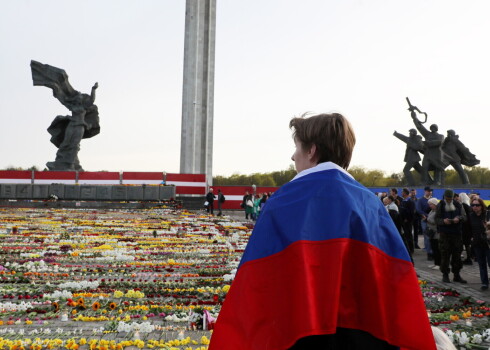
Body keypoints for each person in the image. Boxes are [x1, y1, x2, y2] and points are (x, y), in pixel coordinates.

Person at [210, 113, 435, 350]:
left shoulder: (282, 201)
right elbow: (393, 279)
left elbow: (258, 283)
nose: (293, 156)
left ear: (312, 151)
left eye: (296, 147)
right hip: (362, 336)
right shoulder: (370, 204)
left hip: (298, 335)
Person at [436, 189, 467, 283]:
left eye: (450, 198)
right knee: (445, 255)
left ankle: (456, 275)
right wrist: (443, 221)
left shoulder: (458, 205)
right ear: (445, 197)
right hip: (444, 234)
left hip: (456, 234)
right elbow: (436, 219)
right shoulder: (440, 205)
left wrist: (459, 218)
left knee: (457, 255)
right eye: (447, 198)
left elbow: (464, 217)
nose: (449, 200)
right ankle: (445, 275)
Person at [468, 197, 490, 290]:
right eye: (473, 205)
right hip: (477, 243)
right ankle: (484, 282)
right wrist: (470, 239)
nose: (475, 207)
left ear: (481, 206)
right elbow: (468, 230)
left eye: (477, 205)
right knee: (481, 264)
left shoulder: (487, 214)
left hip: (488, 243)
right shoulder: (471, 216)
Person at [417, 186, 434, 260]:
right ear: (425, 191)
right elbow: (418, 210)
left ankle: (432, 250)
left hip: (432, 221)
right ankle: (428, 251)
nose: (430, 192)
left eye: (430, 191)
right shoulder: (421, 200)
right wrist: (426, 215)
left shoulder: (433, 199)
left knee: (433, 236)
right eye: (428, 191)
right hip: (424, 220)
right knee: (427, 236)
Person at [456, 192, 472, 265]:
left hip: (464, 227)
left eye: (459, 197)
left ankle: (461, 258)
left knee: (462, 243)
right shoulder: (468, 206)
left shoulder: (463, 206)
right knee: (467, 244)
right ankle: (469, 258)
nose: (458, 198)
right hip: (468, 227)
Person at [399, 188, 415, 253]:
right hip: (403, 220)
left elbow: (411, 212)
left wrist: (407, 219)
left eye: (402, 192)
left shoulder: (410, 201)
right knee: (405, 235)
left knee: (409, 235)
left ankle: (411, 249)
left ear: (405, 193)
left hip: (408, 221)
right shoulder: (403, 201)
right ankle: (407, 248)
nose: (401, 193)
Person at [427, 198, 441, 269]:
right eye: (429, 204)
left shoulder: (438, 212)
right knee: (433, 248)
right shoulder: (432, 211)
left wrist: (428, 220)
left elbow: (435, 221)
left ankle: (439, 264)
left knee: (437, 249)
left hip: (436, 232)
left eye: (431, 204)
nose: (430, 206)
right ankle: (435, 263)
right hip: (431, 232)